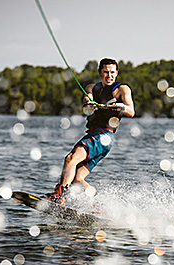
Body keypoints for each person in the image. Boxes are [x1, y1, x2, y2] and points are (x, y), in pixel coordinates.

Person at [45, 58, 135, 204]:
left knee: (70, 159)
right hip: (96, 138)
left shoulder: (122, 90)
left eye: (112, 72)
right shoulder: (92, 88)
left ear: (117, 73)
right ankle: (96, 205)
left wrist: (118, 106)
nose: (109, 76)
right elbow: (87, 101)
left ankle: (59, 196)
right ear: (100, 73)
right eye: (106, 72)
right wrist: (89, 103)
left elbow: (131, 111)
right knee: (76, 178)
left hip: (104, 135)